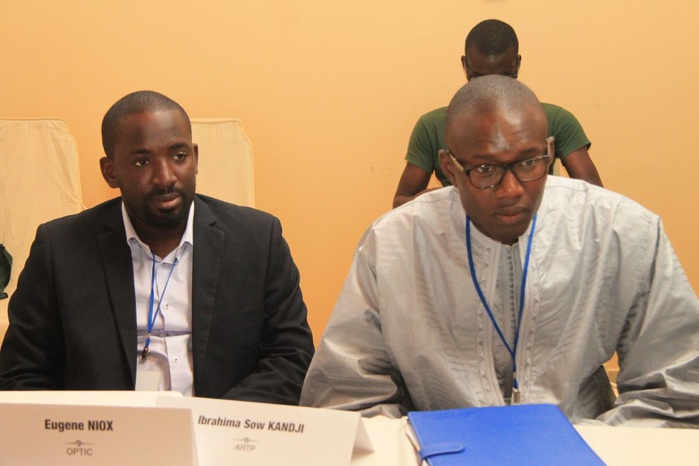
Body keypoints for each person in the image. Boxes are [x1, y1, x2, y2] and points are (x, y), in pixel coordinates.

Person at [301, 76, 699, 426]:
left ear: (549, 151)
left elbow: (676, 394)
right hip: (440, 449)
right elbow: (347, 396)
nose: (511, 190)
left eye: (529, 163)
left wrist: (585, 449)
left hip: (584, 445)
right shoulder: (395, 244)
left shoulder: (619, 230)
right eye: (485, 169)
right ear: (450, 168)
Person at [0, 91, 314, 404]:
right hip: (108, 430)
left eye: (179, 156)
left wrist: (214, 420)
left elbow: (292, 359)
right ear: (111, 172)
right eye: (142, 162)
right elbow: (21, 375)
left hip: (222, 427)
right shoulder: (60, 250)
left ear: (195, 157)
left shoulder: (257, 240)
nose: (165, 178)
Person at [393, 19, 603, 208]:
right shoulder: (433, 126)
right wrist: (448, 199)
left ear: (517, 64)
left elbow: (595, 198)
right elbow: (401, 203)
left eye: (504, 78)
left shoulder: (554, 120)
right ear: (465, 65)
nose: (492, 90)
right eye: (480, 80)